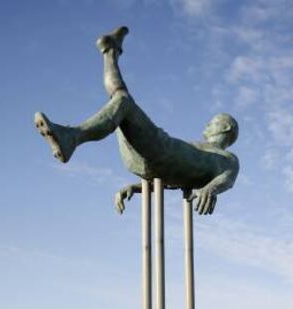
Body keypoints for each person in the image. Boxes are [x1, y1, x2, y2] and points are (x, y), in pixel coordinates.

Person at [35, 26, 239, 216]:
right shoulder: (199, 148)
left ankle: (109, 54)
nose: (207, 125)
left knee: (122, 100)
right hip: (150, 157)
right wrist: (138, 187)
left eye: (213, 122)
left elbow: (226, 180)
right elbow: (174, 176)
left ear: (226, 127)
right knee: (119, 101)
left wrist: (210, 189)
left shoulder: (227, 159)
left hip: (160, 151)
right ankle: (110, 51)